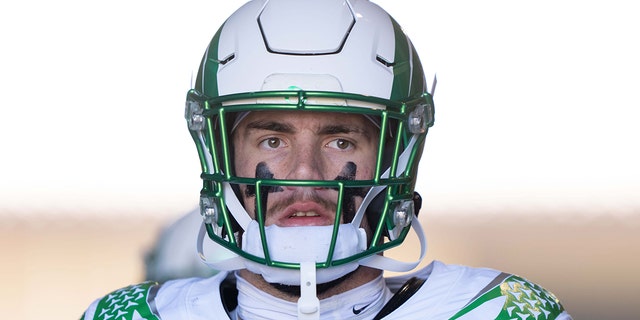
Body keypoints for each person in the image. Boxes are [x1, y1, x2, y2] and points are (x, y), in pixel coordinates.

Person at [81, 0, 572, 319]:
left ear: (397, 156)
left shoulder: (500, 311)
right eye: (272, 141)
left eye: (341, 142)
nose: (304, 175)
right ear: (221, 149)